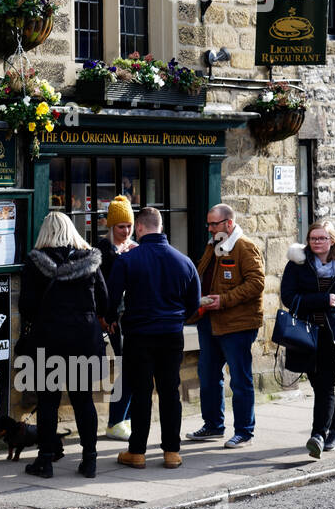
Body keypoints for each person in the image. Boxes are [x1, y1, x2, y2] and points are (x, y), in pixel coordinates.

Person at [106, 207, 201, 469]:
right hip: (172, 334)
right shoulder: (184, 261)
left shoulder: (128, 260)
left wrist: (113, 319)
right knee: (171, 392)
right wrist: (178, 318)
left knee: (141, 393)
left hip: (138, 335)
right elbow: (194, 305)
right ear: (160, 226)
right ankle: (172, 452)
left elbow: (111, 300)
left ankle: (137, 452)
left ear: (139, 228)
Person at [18, 211, 108, 479]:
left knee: (48, 402)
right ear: (71, 230)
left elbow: (26, 307)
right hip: (83, 341)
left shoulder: (35, 264)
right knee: (83, 401)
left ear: (45, 232)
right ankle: (90, 461)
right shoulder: (90, 261)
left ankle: (45, 461)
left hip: (49, 341)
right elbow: (105, 301)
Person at [187, 204, 265, 449]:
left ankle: (244, 432)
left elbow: (257, 283)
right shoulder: (212, 246)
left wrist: (224, 300)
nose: (209, 228)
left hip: (237, 325)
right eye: (208, 224)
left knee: (240, 380)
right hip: (208, 321)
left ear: (228, 224)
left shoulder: (245, 247)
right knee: (208, 376)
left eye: (214, 224)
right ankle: (213, 425)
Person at [279, 222, 335, 457]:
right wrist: (321, 299)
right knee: (319, 385)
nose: (317, 242)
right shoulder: (297, 263)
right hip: (306, 334)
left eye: (322, 238)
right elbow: (288, 297)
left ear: (332, 240)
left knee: (326, 385)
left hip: (334, 336)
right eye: (313, 238)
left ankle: (318, 435)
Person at [96, 195, 136, 440]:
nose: (126, 231)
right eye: (121, 226)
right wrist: (103, 316)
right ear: (111, 226)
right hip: (113, 320)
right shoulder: (101, 251)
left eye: (129, 226)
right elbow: (100, 288)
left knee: (130, 369)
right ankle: (115, 420)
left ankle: (124, 419)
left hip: (131, 317)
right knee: (127, 369)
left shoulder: (133, 248)